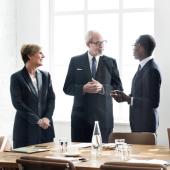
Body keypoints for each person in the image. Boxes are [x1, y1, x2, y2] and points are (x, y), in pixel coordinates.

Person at [63, 30, 123, 143]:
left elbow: (118, 88)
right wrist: (83, 89)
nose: (102, 45)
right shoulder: (75, 61)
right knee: (80, 157)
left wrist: (103, 88)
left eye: (103, 42)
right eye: (98, 43)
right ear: (88, 44)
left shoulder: (111, 62)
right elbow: (67, 88)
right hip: (80, 119)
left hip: (104, 119)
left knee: (104, 156)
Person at [111, 34, 161, 133]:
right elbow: (141, 94)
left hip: (146, 126)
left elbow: (154, 102)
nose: (133, 49)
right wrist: (124, 98)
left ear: (140, 47)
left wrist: (129, 99)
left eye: (134, 46)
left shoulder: (152, 70)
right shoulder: (143, 67)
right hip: (138, 124)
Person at [10, 44, 55, 148]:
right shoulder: (16, 77)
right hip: (25, 131)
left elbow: (51, 99)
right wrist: (37, 120)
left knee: (47, 162)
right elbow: (17, 103)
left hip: (45, 129)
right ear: (29, 56)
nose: (43, 56)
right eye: (40, 53)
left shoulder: (46, 76)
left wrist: (47, 118)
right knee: (25, 163)